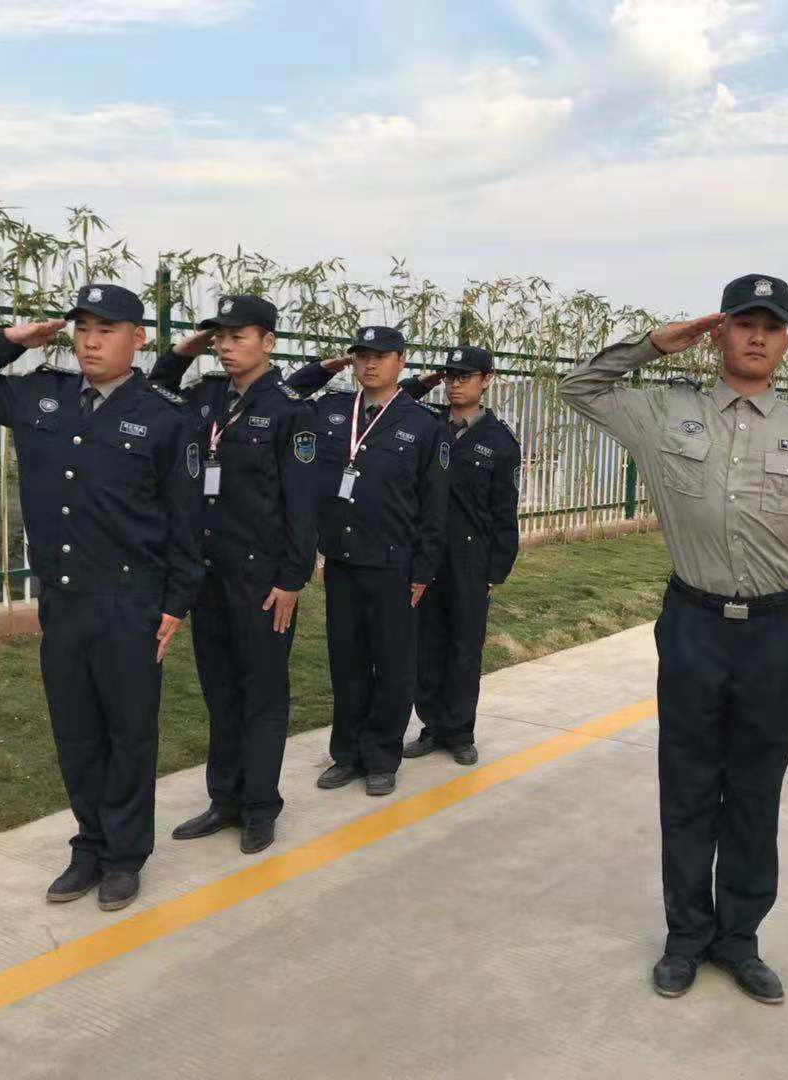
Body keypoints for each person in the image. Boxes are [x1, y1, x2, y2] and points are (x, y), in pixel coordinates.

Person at [559, 274, 788, 1005]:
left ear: (786, 341)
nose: (756, 337)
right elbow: (578, 388)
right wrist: (657, 343)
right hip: (694, 628)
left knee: (754, 791)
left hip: (775, 632)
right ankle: (685, 937)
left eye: (770, 326)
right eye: (743, 323)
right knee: (686, 786)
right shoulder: (665, 412)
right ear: (719, 333)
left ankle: (739, 940)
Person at [0, 283, 203, 912]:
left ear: (137, 339)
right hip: (64, 599)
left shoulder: (166, 416)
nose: (90, 341)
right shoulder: (44, 394)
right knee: (77, 732)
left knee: (128, 732)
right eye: (83, 328)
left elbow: (187, 520)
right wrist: (10, 341)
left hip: (131, 602)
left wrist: (175, 603)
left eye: (106, 330)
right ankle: (89, 846)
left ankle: (124, 856)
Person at [146, 295, 318, 855]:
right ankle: (225, 799)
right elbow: (156, 393)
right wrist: (182, 350)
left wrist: (292, 579)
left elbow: (302, 504)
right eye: (218, 337)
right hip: (210, 574)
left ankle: (260, 806)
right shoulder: (208, 396)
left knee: (261, 692)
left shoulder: (290, 409)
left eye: (236, 336)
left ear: (268, 342)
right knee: (220, 691)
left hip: (262, 580)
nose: (224, 346)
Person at [283, 326, 451, 796]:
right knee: (348, 662)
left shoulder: (423, 424)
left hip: (395, 565)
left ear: (401, 361)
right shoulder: (332, 410)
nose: (370, 364)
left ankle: (381, 756)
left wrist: (424, 569)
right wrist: (321, 370)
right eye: (361, 356)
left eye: (380, 356)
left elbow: (434, 505)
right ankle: (348, 754)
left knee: (392, 665)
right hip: (342, 560)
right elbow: (284, 396)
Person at [390, 346, 521, 767]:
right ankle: (432, 726)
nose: (455, 385)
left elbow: (505, 512)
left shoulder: (499, 441)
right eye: (449, 376)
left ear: (486, 379)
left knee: (464, 646)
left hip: (470, 558)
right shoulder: (429, 424)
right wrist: (426, 379)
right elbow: (397, 398)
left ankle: (460, 731)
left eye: (465, 376)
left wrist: (495, 570)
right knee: (426, 643)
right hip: (425, 554)